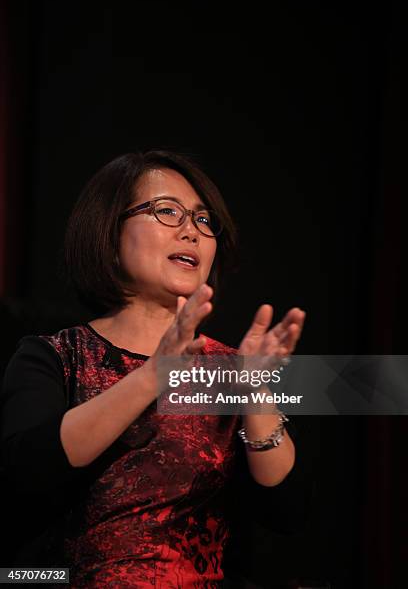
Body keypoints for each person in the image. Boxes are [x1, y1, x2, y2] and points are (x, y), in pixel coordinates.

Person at [0, 150, 306, 587]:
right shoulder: (52, 356)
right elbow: (28, 475)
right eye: (167, 211)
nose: (192, 231)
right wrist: (152, 376)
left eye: (204, 220)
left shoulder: (229, 368)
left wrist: (254, 389)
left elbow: (289, 512)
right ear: (109, 231)